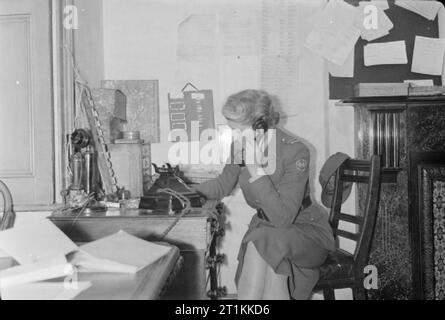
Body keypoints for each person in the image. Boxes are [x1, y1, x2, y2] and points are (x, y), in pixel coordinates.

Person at [194, 89, 335, 300]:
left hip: (306, 232)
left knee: (260, 242)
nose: (234, 136)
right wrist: (186, 191)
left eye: (238, 130)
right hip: (268, 233)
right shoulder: (239, 147)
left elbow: (283, 218)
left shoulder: (295, 151)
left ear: (260, 125)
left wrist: (255, 168)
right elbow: (223, 184)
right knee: (267, 256)